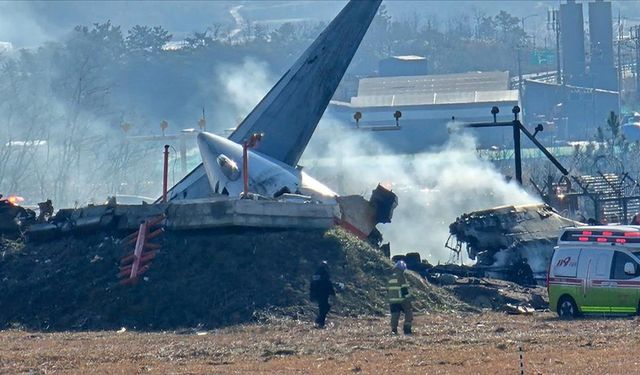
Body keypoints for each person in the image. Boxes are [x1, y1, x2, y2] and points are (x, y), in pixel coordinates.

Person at [387, 260, 413, 335]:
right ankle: (407, 330)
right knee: (409, 313)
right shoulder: (401, 277)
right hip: (401, 300)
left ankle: (394, 330)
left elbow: (388, 290)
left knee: (394, 316)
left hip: (392, 301)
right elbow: (404, 290)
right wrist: (409, 299)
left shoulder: (390, 277)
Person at [309, 261, 335, 329]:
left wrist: (312, 294)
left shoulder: (317, 274)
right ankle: (320, 321)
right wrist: (332, 292)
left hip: (321, 293)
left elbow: (312, 285)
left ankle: (320, 320)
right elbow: (327, 283)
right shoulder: (323, 274)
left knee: (324, 307)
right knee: (324, 307)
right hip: (322, 293)